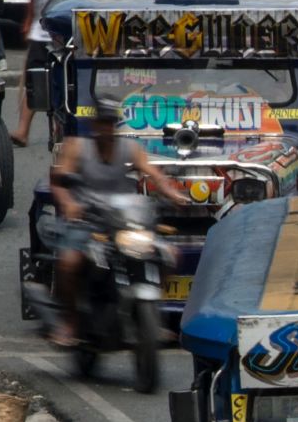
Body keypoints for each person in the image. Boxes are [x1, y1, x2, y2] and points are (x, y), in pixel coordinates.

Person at [47, 105, 191, 347]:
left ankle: (152, 315)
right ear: (94, 125)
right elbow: (58, 182)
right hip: (87, 222)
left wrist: (173, 195)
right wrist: (69, 203)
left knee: (170, 255)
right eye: (102, 122)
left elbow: (154, 174)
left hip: (124, 222)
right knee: (69, 263)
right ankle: (70, 321)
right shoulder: (77, 147)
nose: (106, 128)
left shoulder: (129, 148)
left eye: (110, 123)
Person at [11, 0, 74, 147]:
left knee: (64, 82)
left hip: (64, 36)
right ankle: (23, 130)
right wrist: (28, 21)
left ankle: (62, 129)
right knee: (32, 83)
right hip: (40, 32)